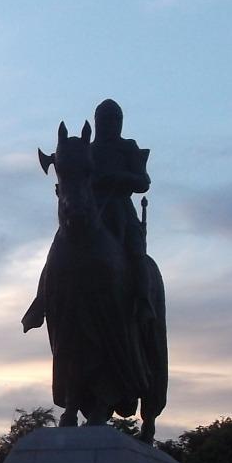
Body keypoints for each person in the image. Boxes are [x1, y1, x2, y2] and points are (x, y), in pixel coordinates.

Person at [88, 98, 153, 321]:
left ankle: (143, 301)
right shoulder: (88, 150)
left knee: (135, 250)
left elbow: (143, 181)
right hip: (91, 210)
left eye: (113, 120)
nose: (108, 124)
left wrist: (120, 177)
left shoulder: (127, 148)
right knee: (60, 246)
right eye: (104, 120)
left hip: (120, 208)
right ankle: (42, 301)